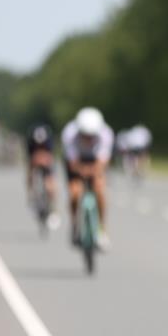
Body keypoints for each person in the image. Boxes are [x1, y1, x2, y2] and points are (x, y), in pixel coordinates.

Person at [61, 107, 114, 250]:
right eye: (85, 135)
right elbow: (72, 163)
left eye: (92, 136)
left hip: (95, 161)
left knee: (99, 190)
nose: (88, 139)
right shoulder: (69, 134)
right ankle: (74, 225)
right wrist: (81, 171)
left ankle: (101, 229)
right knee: (75, 193)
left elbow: (103, 162)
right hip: (77, 162)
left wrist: (94, 172)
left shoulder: (106, 134)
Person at [25, 123, 59, 229]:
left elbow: (50, 157)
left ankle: (52, 208)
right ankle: (31, 194)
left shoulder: (49, 141)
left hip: (47, 161)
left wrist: (45, 160)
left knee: (50, 184)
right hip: (34, 158)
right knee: (30, 171)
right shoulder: (31, 142)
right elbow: (30, 157)